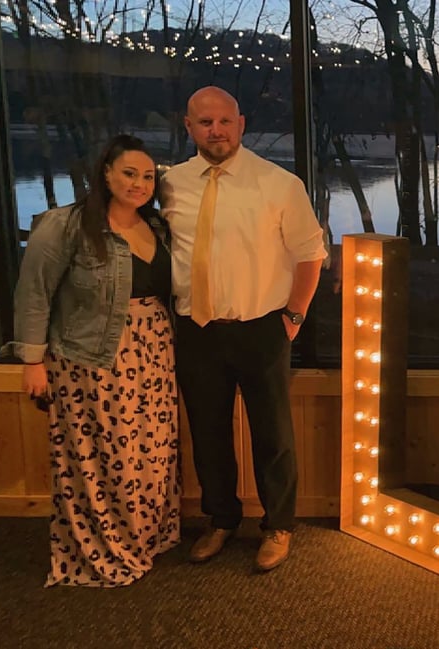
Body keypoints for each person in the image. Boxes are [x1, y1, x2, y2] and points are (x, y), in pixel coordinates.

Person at [4, 134, 181, 587]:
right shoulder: (64, 226)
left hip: (155, 353)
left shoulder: (156, 227)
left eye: (147, 176)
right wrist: (32, 361)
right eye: (129, 173)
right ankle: (104, 548)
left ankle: (142, 539)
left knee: (152, 455)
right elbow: (34, 295)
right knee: (105, 458)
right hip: (92, 359)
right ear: (105, 172)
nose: (139, 184)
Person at [161, 86, 326, 572]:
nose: (216, 130)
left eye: (225, 121)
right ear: (188, 127)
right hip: (196, 329)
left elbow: (310, 255)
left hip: (261, 328)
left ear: (242, 123)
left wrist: (293, 317)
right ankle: (221, 520)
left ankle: (278, 525)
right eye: (205, 122)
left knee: (272, 435)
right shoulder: (170, 184)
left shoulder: (279, 184)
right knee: (208, 433)